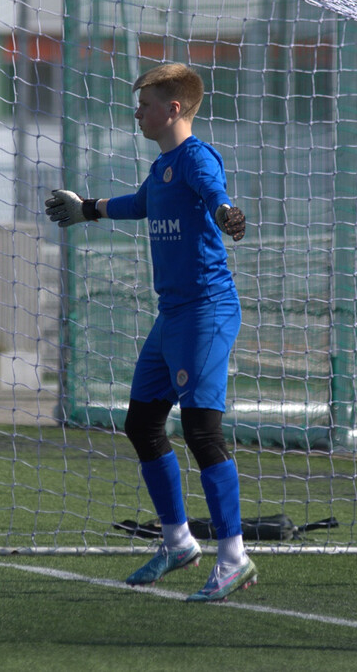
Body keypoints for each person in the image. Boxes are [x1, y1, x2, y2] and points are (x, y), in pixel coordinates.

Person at [45, 62, 253, 602]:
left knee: (203, 431)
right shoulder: (164, 168)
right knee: (142, 423)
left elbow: (214, 193)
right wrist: (87, 209)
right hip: (174, 316)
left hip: (206, 312)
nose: (137, 112)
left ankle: (233, 558)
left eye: (144, 104)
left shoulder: (196, 158)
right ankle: (178, 541)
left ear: (173, 109)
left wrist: (228, 212)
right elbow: (143, 204)